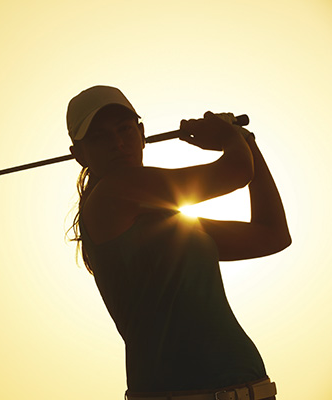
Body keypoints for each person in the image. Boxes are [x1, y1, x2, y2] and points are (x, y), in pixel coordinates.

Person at [66, 86, 290, 400]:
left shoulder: (170, 223)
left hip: (255, 391)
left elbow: (272, 235)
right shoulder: (111, 194)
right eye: (99, 137)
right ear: (79, 154)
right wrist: (228, 135)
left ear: (142, 134)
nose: (117, 143)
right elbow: (236, 172)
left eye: (125, 129)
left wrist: (246, 141)